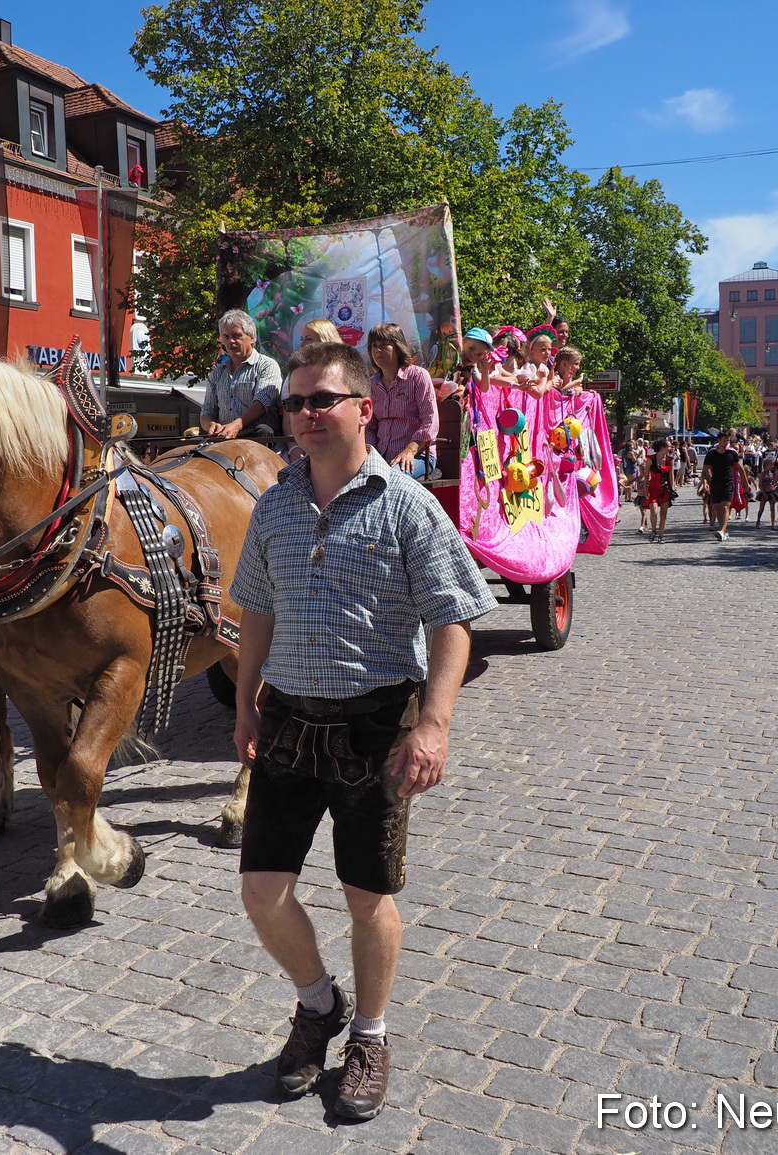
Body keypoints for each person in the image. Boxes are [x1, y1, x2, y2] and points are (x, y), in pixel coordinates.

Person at [230, 340, 495, 1121]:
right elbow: (256, 612)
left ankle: (371, 1036)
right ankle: (319, 1003)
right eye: (296, 402)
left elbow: (453, 621)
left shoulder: (407, 504)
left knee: (364, 896)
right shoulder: (275, 503)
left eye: (323, 400)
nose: (307, 413)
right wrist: (245, 703)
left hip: (377, 726)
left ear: (362, 409)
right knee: (261, 891)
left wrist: (435, 724)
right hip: (287, 725)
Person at [364, 322, 439, 478]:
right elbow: (369, 427)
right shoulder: (372, 385)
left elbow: (430, 420)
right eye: (374, 346)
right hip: (382, 458)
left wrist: (410, 450)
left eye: (385, 345)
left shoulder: (418, 376)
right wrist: (369, 453)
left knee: (392, 478)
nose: (378, 350)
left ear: (398, 347)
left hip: (419, 456)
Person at [201, 309, 283, 440]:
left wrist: (237, 425)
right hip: (224, 438)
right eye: (226, 337)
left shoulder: (267, 365)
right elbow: (207, 410)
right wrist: (211, 425)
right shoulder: (217, 373)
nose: (231, 341)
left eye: (236, 335)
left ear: (252, 338)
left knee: (264, 430)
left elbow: (262, 402)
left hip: (258, 438)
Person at [702, 432, 747, 541]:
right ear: (718, 440)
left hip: (728, 482)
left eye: (727, 440)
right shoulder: (711, 453)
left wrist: (745, 483)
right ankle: (724, 531)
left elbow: (740, 469)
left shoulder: (732, 453)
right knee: (717, 508)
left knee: (725, 506)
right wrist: (705, 483)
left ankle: (722, 531)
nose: (726, 442)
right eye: (724, 440)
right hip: (715, 483)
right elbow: (704, 470)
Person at [646, 437, 675, 542]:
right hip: (653, 488)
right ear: (662, 448)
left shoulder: (670, 460)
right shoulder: (651, 459)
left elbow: (671, 476)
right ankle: (653, 530)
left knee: (664, 513)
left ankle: (661, 536)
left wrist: (672, 488)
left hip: (665, 488)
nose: (670, 448)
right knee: (654, 511)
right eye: (668, 446)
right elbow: (646, 474)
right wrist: (645, 488)